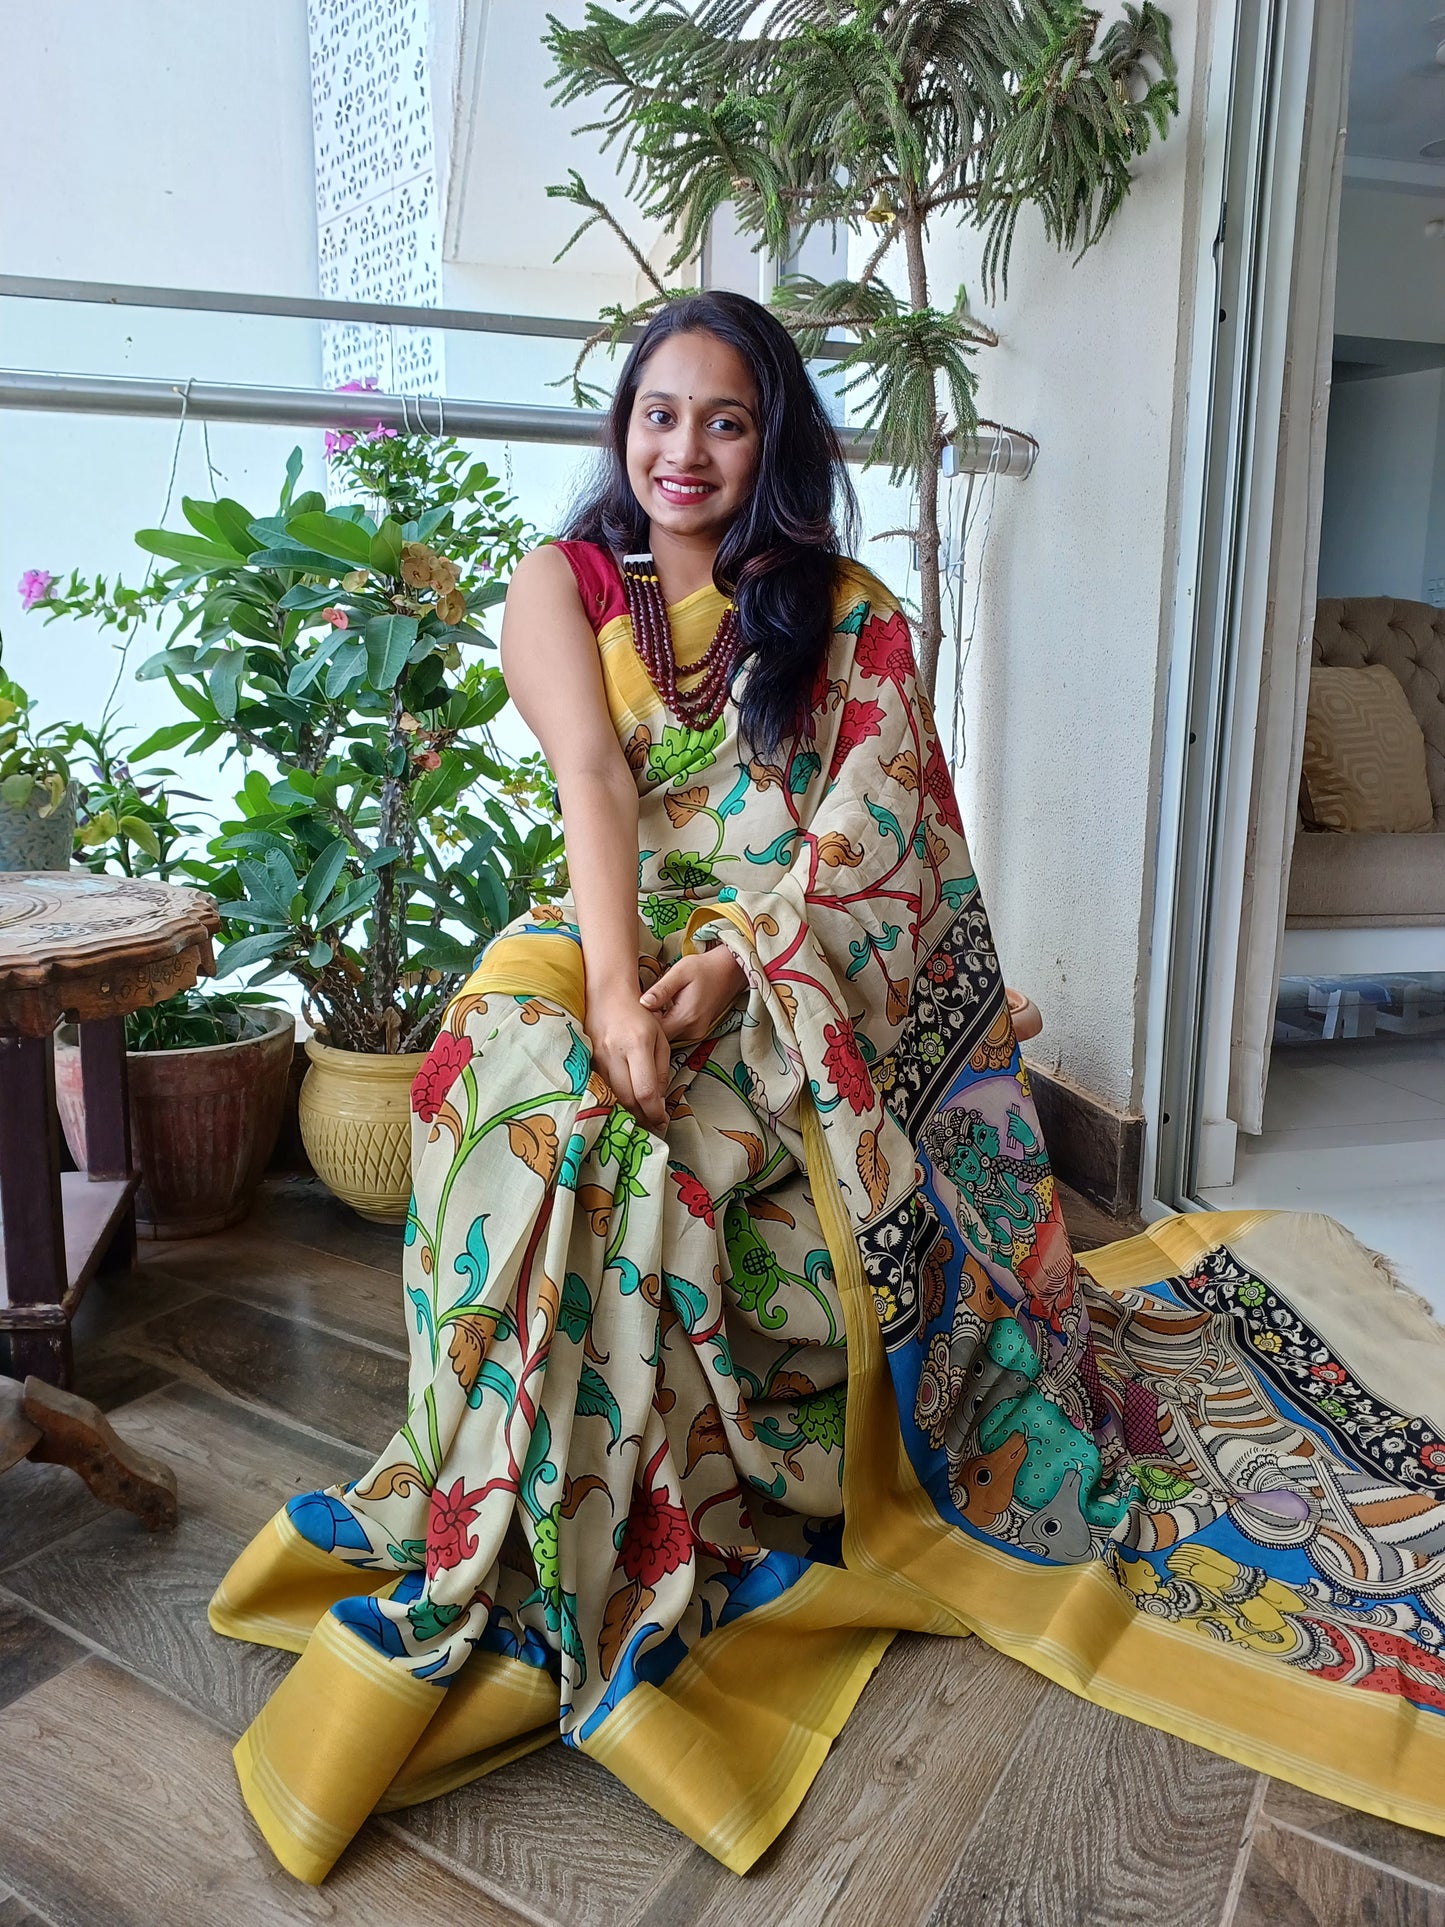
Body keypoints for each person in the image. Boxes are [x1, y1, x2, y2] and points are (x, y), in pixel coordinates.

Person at [213, 291, 1445, 1884]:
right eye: (660, 413)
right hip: (588, 937)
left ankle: (633, 1533)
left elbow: (874, 845)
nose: (685, 449)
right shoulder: (558, 581)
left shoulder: (845, 615)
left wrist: (729, 972)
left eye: (725, 420)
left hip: (768, 977)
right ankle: (506, 1526)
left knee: (647, 1166)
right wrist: (611, 992)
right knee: (538, 1114)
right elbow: (595, 782)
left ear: (771, 438)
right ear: (624, 425)